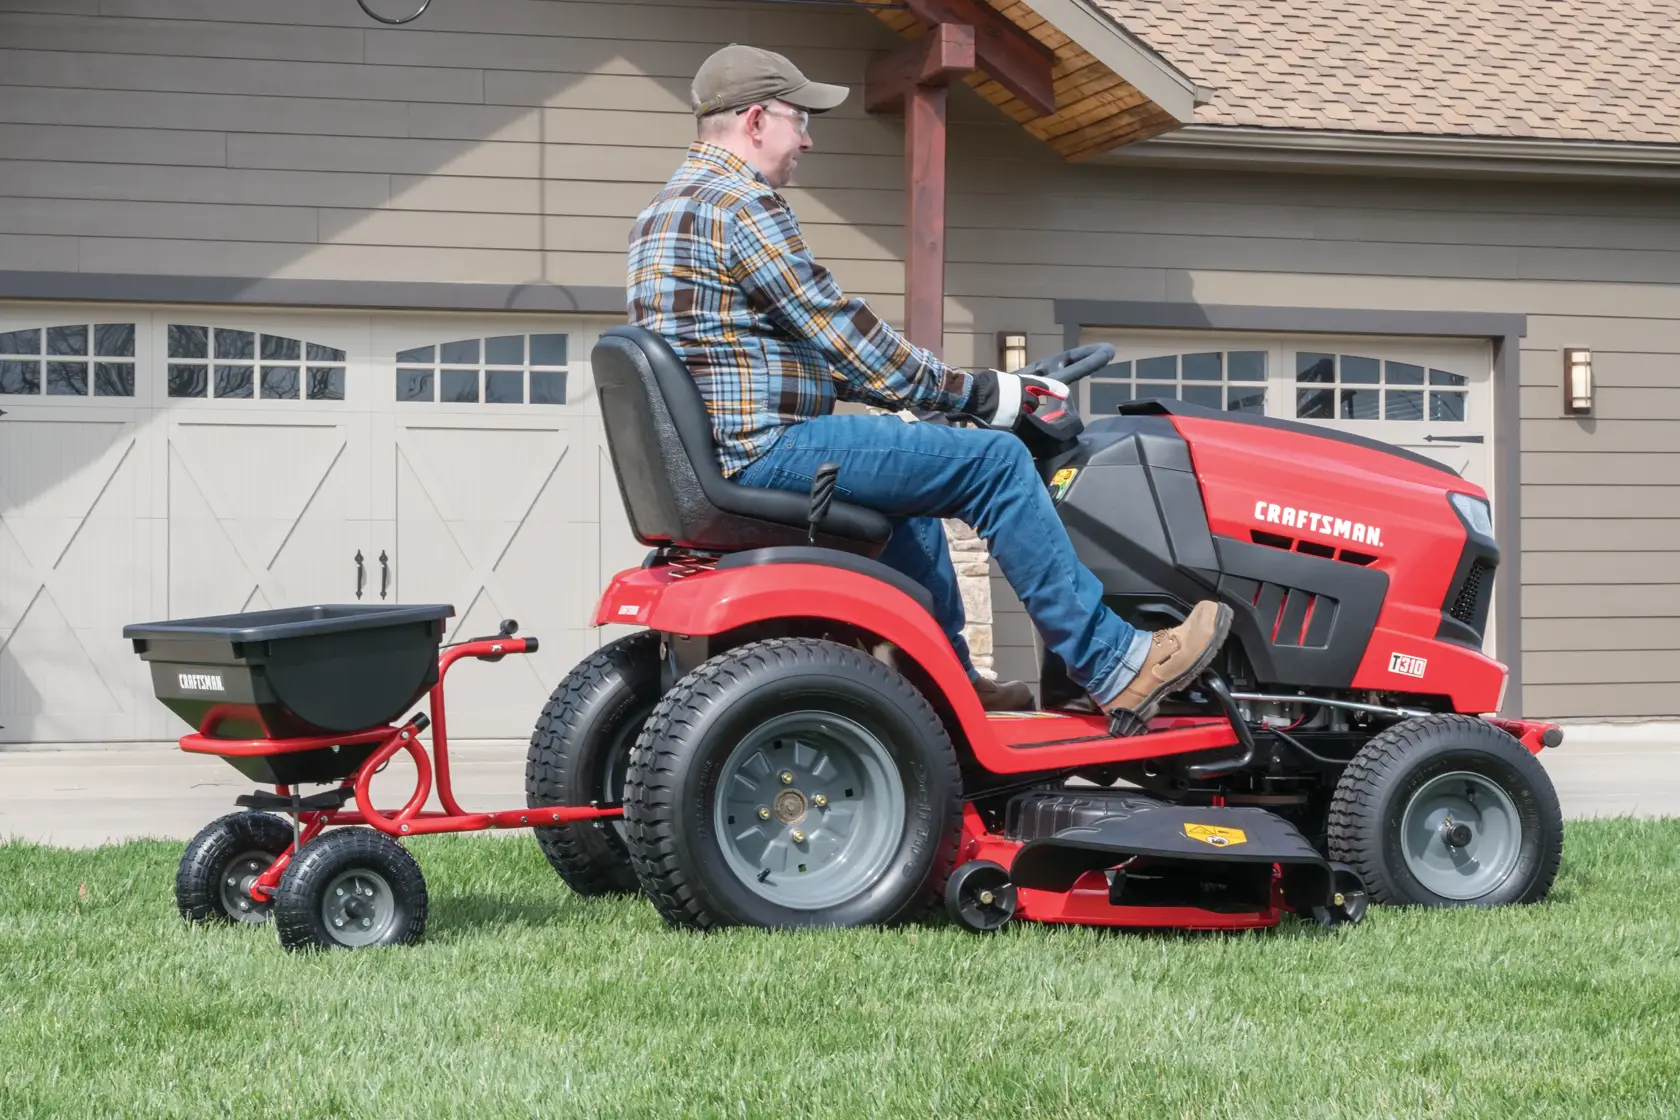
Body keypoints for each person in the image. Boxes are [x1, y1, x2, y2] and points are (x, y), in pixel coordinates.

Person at [626, 43, 1231, 722]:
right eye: (801, 120)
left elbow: (773, 350)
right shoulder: (739, 204)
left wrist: (905, 400)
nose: (809, 138)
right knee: (998, 464)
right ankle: (1113, 661)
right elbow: (839, 326)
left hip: (729, 451)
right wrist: (976, 394)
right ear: (758, 119)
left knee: (913, 497)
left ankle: (949, 682)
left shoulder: (663, 213)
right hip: (768, 450)